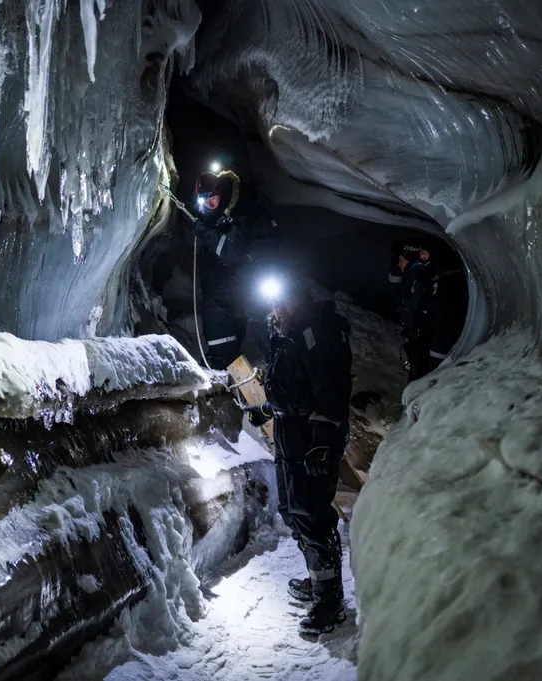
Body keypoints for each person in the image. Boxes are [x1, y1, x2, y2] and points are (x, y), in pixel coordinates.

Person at [241, 273, 352, 635]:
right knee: (292, 510)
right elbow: (291, 385)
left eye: (284, 303)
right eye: (273, 304)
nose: (277, 310)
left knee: (312, 512)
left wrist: (323, 438)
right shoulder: (285, 335)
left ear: (301, 301)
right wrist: (270, 409)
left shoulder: (318, 332)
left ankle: (330, 600)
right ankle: (317, 578)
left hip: (312, 434)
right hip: (290, 433)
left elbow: (331, 389)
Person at [192, 169, 279, 369]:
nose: (209, 203)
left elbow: (233, 250)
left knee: (261, 315)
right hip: (242, 275)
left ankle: (282, 364)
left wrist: (205, 233)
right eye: (204, 200)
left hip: (261, 272)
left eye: (212, 198)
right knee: (218, 306)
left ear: (220, 192)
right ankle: (224, 358)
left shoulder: (243, 210)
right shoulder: (221, 212)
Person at [390, 240, 467, 381]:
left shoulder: (433, 284)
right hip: (421, 341)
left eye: (402, 259)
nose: (399, 262)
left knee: (420, 376)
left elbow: (442, 322)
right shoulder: (416, 277)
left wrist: (436, 358)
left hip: (428, 344)